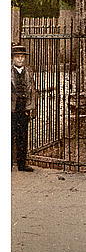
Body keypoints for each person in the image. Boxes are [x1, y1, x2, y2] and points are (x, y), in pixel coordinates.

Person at [11, 43, 37, 172]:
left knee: (23, 136)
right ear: (13, 58)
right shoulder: (7, 72)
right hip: (11, 108)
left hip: (23, 107)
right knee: (9, 136)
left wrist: (30, 108)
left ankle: (22, 164)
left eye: (22, 57)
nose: (20, 59)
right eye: (17, 57)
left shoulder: (29, 72)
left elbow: (32, 91)